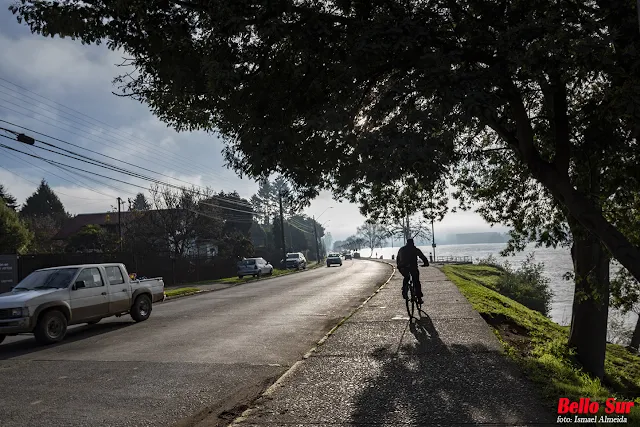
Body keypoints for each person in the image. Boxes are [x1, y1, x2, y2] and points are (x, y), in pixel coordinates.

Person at [396, 238, 429, 304]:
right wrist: (426, 263)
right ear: (413, 243)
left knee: (406, 277)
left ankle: (404, 289)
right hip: (413, 267)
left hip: (403, 267)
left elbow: (398, 259)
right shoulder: (415, 249)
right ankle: (419, 298)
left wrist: (399, 266)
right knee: (416, 281)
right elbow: (422, 257)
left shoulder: (401, 249)